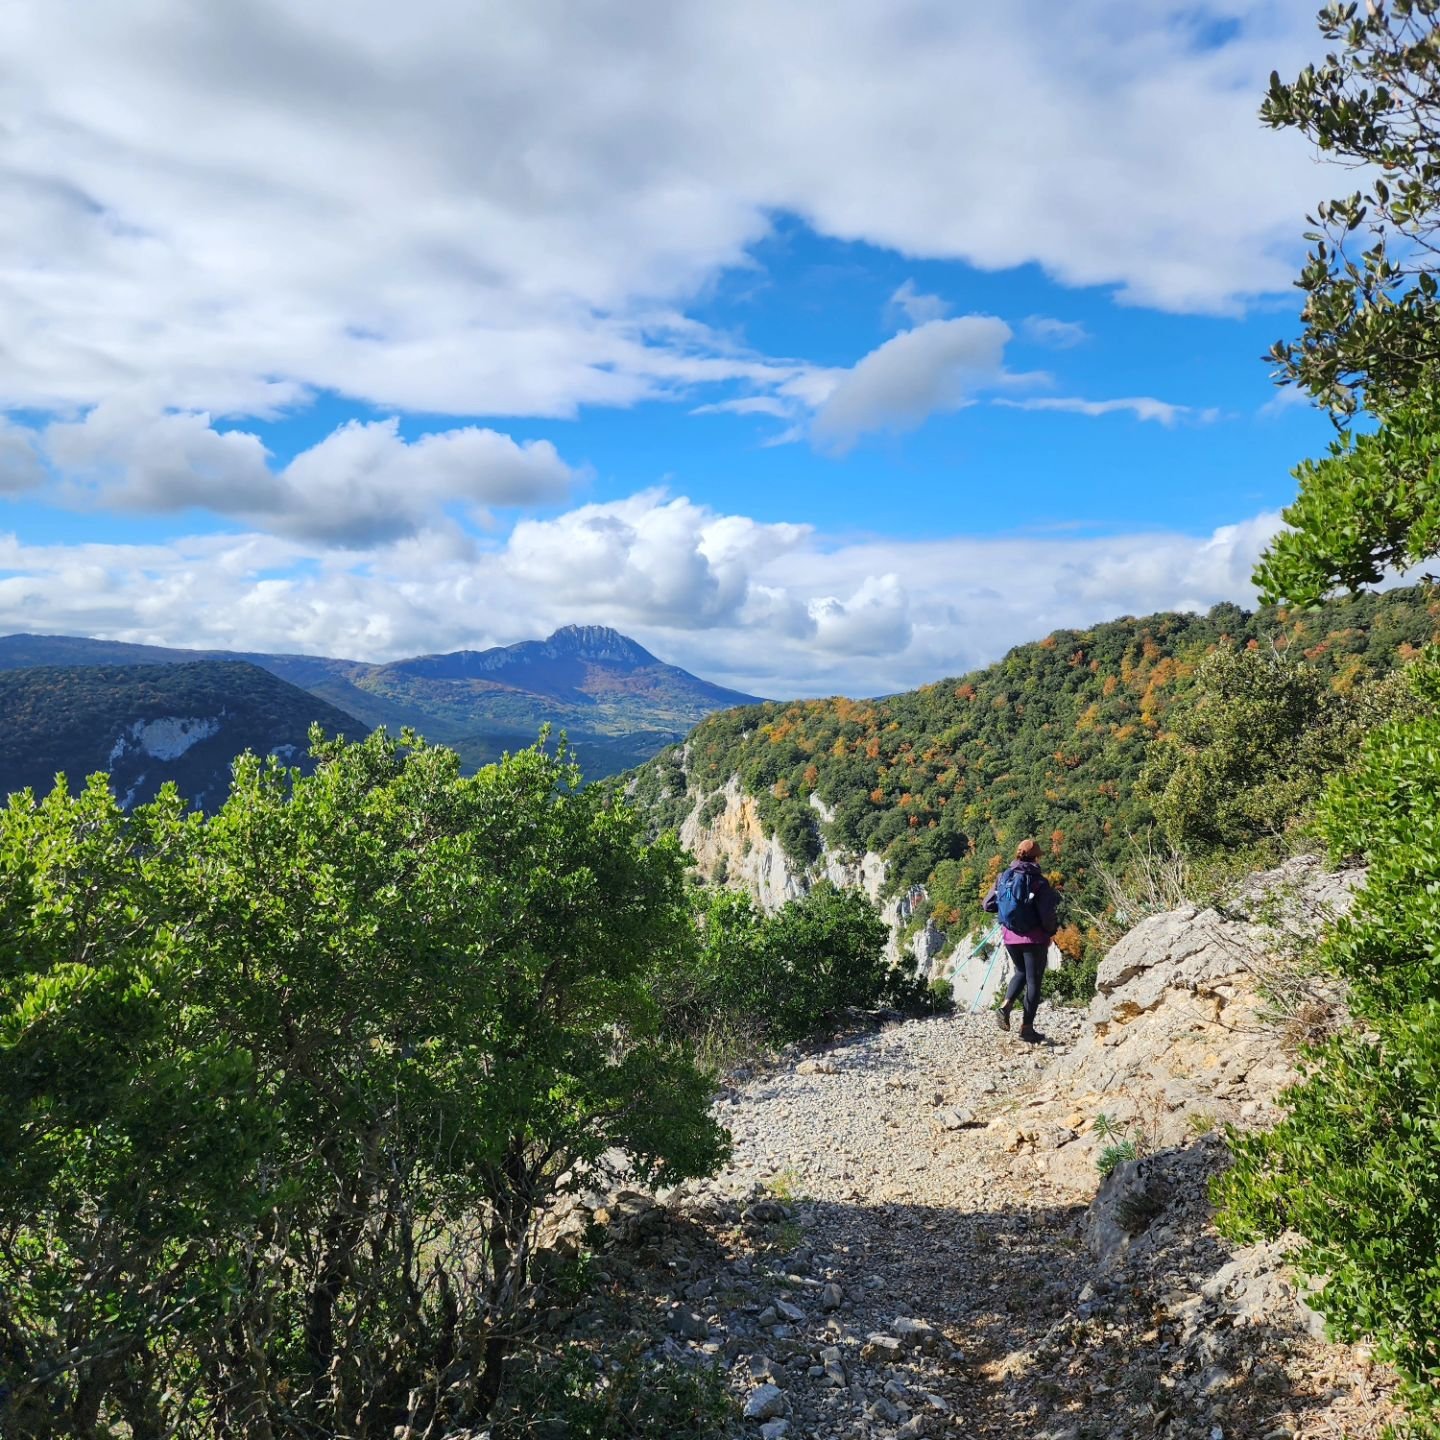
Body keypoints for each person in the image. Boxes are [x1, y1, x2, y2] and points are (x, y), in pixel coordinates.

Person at [982, 838, 1060, 1043]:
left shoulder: (1003, 877)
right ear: (1036, 858)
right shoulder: (1039, 882)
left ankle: (1006, 1005)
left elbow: (988, 905)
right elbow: (1047, 914)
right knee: (1033, 981)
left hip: (1010, 938)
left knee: (1021, 972)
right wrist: (1051, 932)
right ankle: (1027, 1029)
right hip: (1034, 939)